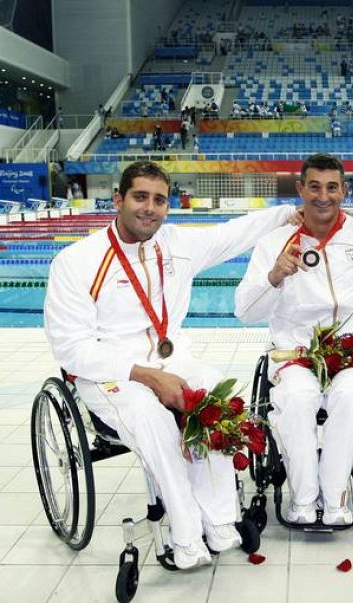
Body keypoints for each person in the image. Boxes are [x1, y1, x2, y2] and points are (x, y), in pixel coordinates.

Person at [44, 161, 298, 569]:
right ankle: (185, 534)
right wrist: (146, 376)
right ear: (118, 200)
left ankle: (219, 521)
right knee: (153, 418)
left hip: (172, 358)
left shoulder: (176, 244)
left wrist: (287, 214)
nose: (149, 208)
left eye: (159, 200)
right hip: (111, 373)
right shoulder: (76, 262)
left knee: (221, 399)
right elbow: (71, 348)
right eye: (140, 197)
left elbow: (232, 235)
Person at [235, 154, 353, 524]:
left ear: (344, 191)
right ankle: (304, 499)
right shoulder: (273, 242)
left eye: (332, 187)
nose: (324, 196)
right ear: (301, 189)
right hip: (295, 352)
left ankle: (335, 496)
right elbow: (245, 311)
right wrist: (273, 277)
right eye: (315, 187)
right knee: (296, 397)